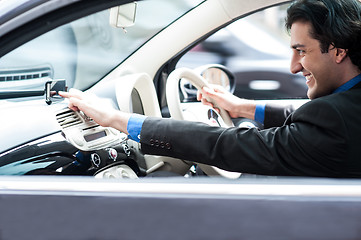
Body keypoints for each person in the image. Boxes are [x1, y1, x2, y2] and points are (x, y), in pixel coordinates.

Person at [60, 0, 361, 178]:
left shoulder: (334, 120)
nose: (293, 67)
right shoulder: (346, 107)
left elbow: (229, 145)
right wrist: (243, 108)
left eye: (302, 51)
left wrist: (118, 120)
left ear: (338, 51)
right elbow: (303, 116)